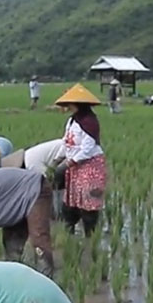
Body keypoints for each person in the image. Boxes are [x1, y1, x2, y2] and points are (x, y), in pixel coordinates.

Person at [52, 84, 107, 237]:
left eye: (70, 104)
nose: (68, 107)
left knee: (88, 201)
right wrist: (61, 157)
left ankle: (91, 235)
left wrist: (72, 161)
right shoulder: (72, 121)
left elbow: (88, 148)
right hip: (74, 166)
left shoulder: (89, 121)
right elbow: (66, 141)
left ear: (78, 104)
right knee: (72, 201)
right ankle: (69, 234)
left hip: (89, 165)